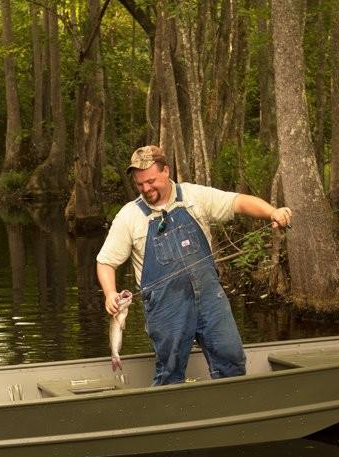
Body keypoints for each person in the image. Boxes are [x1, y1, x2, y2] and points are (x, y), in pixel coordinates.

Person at [96, 145, 292, 385]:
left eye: (151, 181)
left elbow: (238, 202)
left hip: (210, 299)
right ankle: (170, 418)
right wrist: (109, 293)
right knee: (170, 373)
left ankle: (230, 413)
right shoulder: (129, 216)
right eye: (140, 184)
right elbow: (105, 262)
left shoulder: (193, 197)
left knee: (231, 359)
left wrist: (273, 212)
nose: (146, 189)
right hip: (165, 309)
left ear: (166, 171)